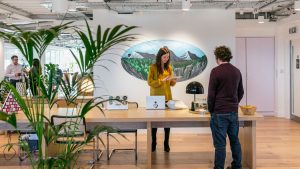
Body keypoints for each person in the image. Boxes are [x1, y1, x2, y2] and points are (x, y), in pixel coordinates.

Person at [207, 46, 244, 169]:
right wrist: (234, 104)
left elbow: (211, 95)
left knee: (220, 145)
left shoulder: (215, 71)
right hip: (233, 112)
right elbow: (241, 92)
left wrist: (211, 110)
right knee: (235, 140)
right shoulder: (237, 71)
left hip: (219, 113)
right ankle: (237, 166)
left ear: (218, 58)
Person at [147, 46, 176, 152]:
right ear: (159, 57)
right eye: (164, 57)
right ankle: (153, 142)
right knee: (154, 122)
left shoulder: (169, 68)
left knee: (167, 123)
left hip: (168, 97)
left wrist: (173, 80)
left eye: (168, 57)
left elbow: (171, 84)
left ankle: (166, 143)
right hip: (156, 98)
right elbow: (150, 82)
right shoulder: (153, 67)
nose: (166, 59)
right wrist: (161, 81)